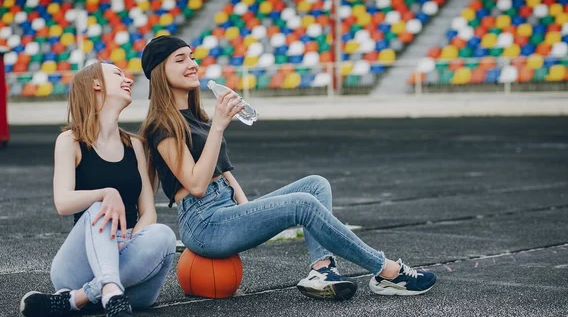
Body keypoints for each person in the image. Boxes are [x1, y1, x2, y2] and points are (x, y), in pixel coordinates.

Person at [138, 36, 436, 301]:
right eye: (181, 59)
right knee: (303, 204)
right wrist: (218, 127)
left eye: (192, 57)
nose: (192, 64)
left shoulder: (196, 115)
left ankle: (322, 270)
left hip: (226, 212)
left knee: (315, 185)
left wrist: (249, 211)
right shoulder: (162, 126)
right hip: (203, 225)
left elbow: (224, 172)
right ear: (159, 72)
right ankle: (387, 271)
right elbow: (197, 185)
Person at [19, 62, 177, 317]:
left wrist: (128, 244)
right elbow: (63, 202)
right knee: (97, 207)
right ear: (96, 84)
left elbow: (148, 212)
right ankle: (112, 298)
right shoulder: (70, 141)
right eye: (118, 74)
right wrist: (104, 193)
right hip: (77, 268)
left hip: (129, 270)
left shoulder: (136, 145)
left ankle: (79, 299)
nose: (127, 79)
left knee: (163, 234)